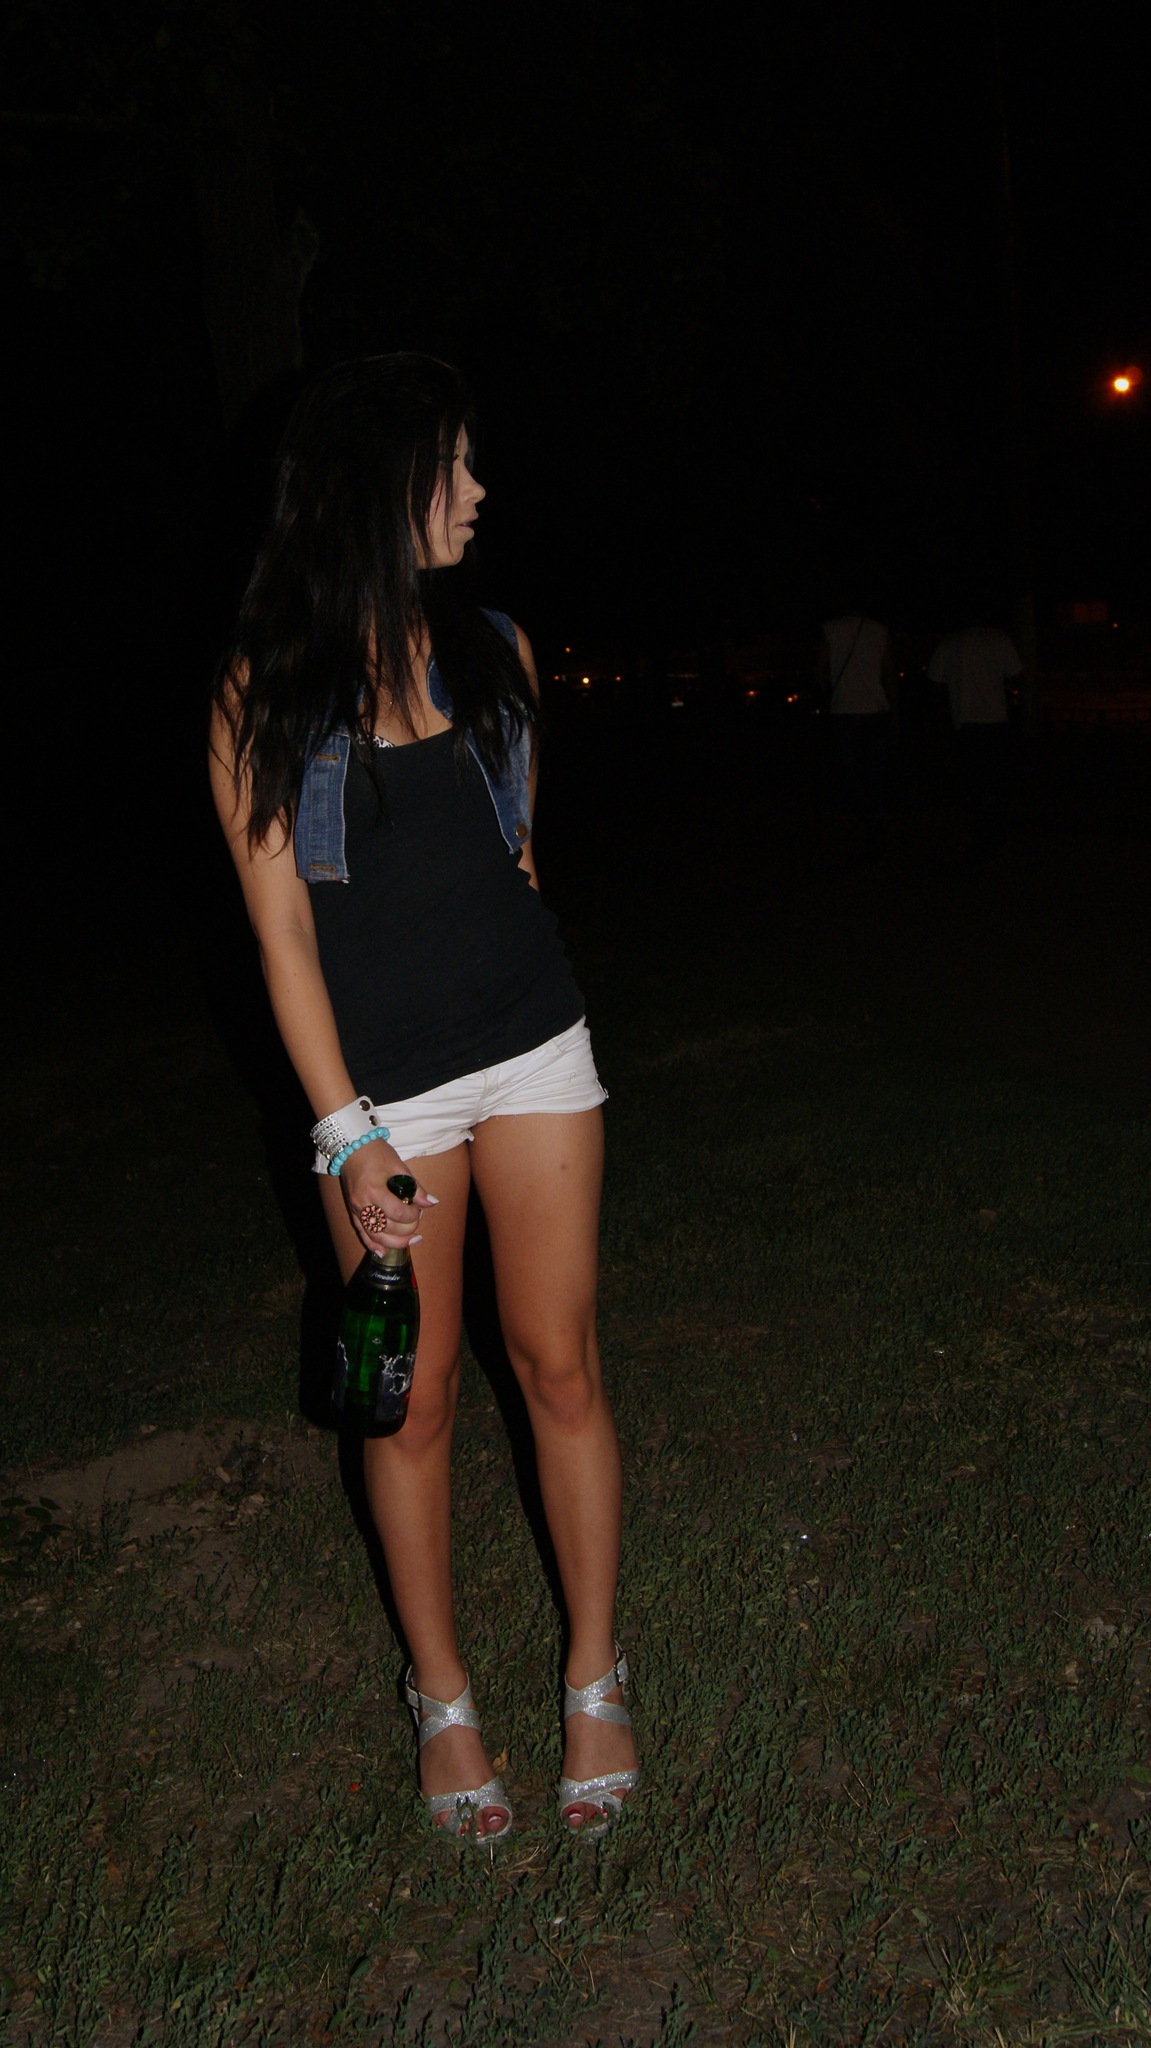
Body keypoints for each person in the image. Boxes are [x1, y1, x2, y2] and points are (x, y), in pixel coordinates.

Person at [209, 353, 638, 1843]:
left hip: (534, 1049)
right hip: (384, 1097)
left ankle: (594, 1672)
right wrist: (348, 1135)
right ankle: (442, 1698)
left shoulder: (497, 650)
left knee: (560, 1364)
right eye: (450, 465)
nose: (475, 491)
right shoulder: (264, 690)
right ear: (374, 485)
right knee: (412, 1400)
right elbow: (281, 939)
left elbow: (518, 862)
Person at [927, 622, 1023, 849]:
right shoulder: (999, 639)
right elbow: (1017, 674)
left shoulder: (951, 643)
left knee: (975, 779)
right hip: (995, 721)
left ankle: (983, 829)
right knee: (993, 778)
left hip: (965, 722)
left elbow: (934, 682)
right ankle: (993, 828)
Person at [816, 610, 897, 842]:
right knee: (877, 767)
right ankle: (876, 816)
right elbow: (889, 672)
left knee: (849, 767)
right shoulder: (879, 630)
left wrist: (829, 694)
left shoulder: (830, 628)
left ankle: (861, 814)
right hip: (875, 708)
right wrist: (894, 708)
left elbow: (819, 670)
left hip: (843, 709)